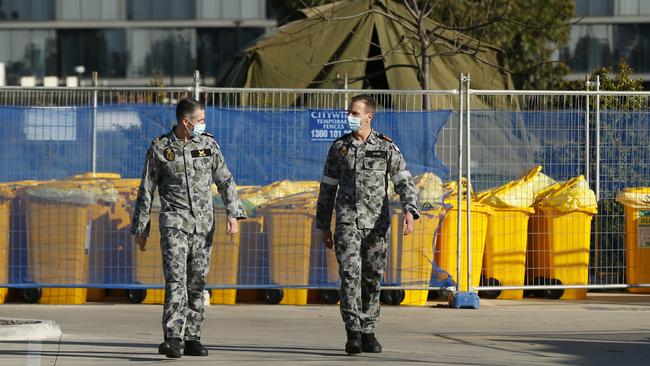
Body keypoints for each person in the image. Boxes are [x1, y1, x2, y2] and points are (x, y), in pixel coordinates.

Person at [131, 98, 246, 358]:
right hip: (174, 224)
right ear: (186, 121)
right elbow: (146, 189)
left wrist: (233, 213)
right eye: (201, 120)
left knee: (197, 281)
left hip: (204, 226)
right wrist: (141, 228)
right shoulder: (160, 148)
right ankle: (173, 337)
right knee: (176, 280)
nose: (203, 124)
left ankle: (192, 336)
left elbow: (225, 180)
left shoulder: (208, 145)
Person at [316, 94, 420, 354]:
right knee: (350, 274)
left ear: (368, 117)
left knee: (372, 277)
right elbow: (327, 188)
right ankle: (353, 331)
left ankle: (368, 330)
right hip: (347, 222)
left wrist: (410, 210)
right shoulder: (339, 148)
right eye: (349, 112)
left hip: (376, 224)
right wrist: (322, 225)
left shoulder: (385, 147)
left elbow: (403, 180)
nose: (349, 117)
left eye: (354, 113)